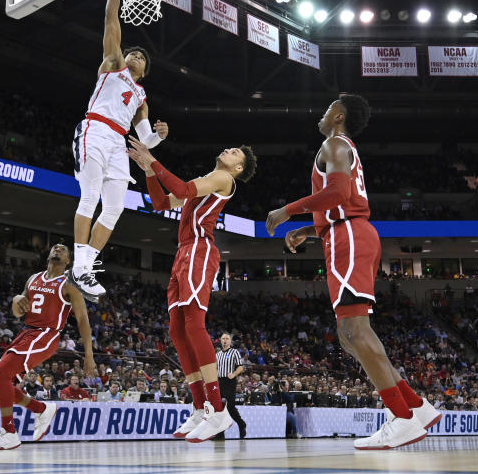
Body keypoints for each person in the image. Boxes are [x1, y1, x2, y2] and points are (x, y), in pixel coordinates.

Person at [265, 94, 440, 450]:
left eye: (328, 106)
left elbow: (339, 194)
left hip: (349, 237)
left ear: (339, 115)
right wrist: (309, 230)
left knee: (354, 331)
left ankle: (400, 418)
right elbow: (340, 203)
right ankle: (416, 407)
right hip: (343, 233)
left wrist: (288, 210)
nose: (322, 111)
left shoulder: (333, 144)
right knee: (349, 335)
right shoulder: (341, 147)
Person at [128, 138, 257, 443]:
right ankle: (200, 406)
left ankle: (216, 408)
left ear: (238, 167)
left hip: (200, 250)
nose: (227, 149)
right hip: (182, 253)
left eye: (234, 152)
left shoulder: (224, 179)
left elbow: (183, 191)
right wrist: (148, 171)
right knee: (177, 330)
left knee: (194, 325)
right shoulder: (204, 180)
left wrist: (152, 161)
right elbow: (161, 203)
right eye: (229, 147)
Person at [69, 0, 169, 301]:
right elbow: (111, 18)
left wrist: (158, 136)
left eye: (140, 56)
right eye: (132, 52)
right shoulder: (113, 64)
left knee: (114, 208)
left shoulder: (141, 97)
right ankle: (80, 265)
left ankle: (83, 268)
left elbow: (146, 139)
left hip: (118, 143)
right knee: (90, 197)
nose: (134, 55)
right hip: (95, 130)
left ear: (145, 70)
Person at [0, 243, 97, 450]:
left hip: (46, 335)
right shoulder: (33, 278)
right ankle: (41, 408)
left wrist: (89, 355)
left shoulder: (70, 283)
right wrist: (17, 298)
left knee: (2, 374)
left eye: (63, 249)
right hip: (26, 332)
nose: (58, 249)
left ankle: (8, 433)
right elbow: (18, 311)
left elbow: (83, 320)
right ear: (48, 255)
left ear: (68, 260)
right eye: (55, 247)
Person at [215, 332, 246, 439]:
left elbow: (240, 367)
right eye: (223, 338)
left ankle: (241, 424)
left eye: (227, 338)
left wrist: (234, 374)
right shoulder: (217, 354)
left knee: (230, 406)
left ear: (230, 341)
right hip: (219, 381)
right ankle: (220, 433)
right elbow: (215, 369)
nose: (225, 340)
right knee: (218, 407)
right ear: (220, 340)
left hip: (230, 381)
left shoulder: (234, 352)